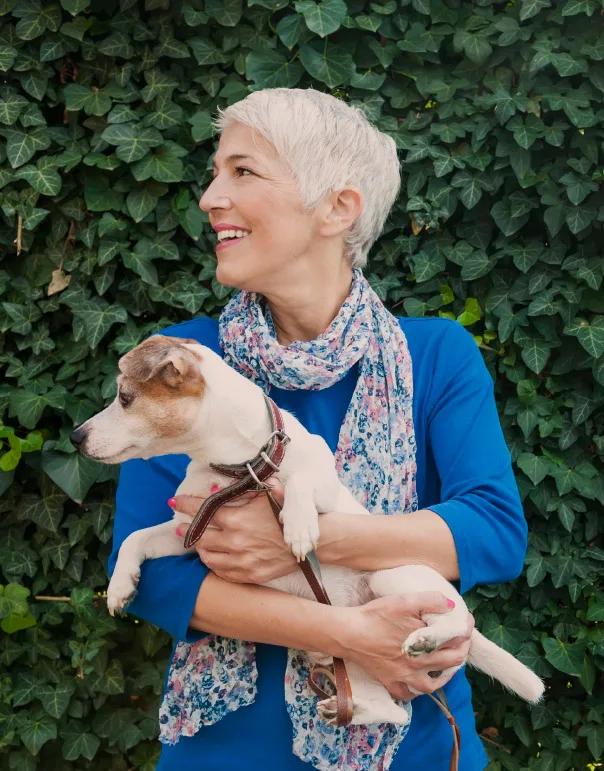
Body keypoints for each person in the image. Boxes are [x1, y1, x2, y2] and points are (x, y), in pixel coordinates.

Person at [109, 87, 528, 771]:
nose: (211, 196)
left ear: (338, 207)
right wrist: (349, 633)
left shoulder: (435, 356)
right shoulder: (184, 364)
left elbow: (494, 530)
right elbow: (152, 577)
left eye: (243, 171)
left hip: (407, 750)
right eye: (216, 172)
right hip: (225, 753)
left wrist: (309, 537)